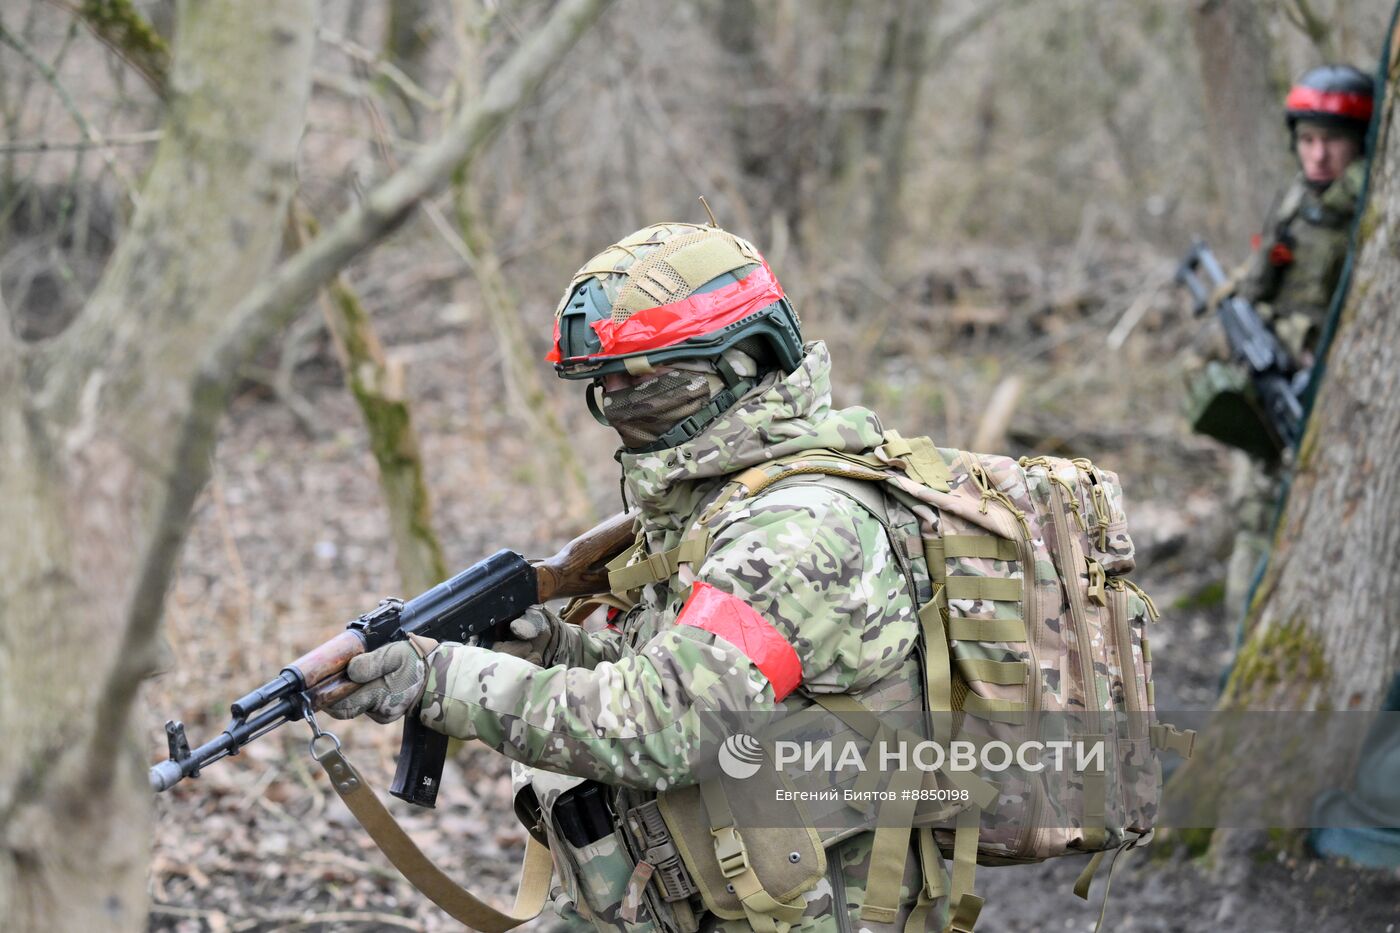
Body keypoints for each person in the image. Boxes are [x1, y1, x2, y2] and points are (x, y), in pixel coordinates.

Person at [326, 221, 948, 933]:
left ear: (743, 361)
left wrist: (444, 681)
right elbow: (706, 677)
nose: (619, 401)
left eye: (645, 379)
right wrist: (559, 651)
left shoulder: (797, 529)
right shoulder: (719, 501)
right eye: (606, 384)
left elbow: (666, 723)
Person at [1212, 64, 1373, 627]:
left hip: (1333, 401)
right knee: (1254, 520)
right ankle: (1243, 651)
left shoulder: (1370, 217)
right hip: (1271, 383)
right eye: (1307, 140)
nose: (1319, 155)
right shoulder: (1296, 200)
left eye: (1333, 141)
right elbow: (1259, 282)